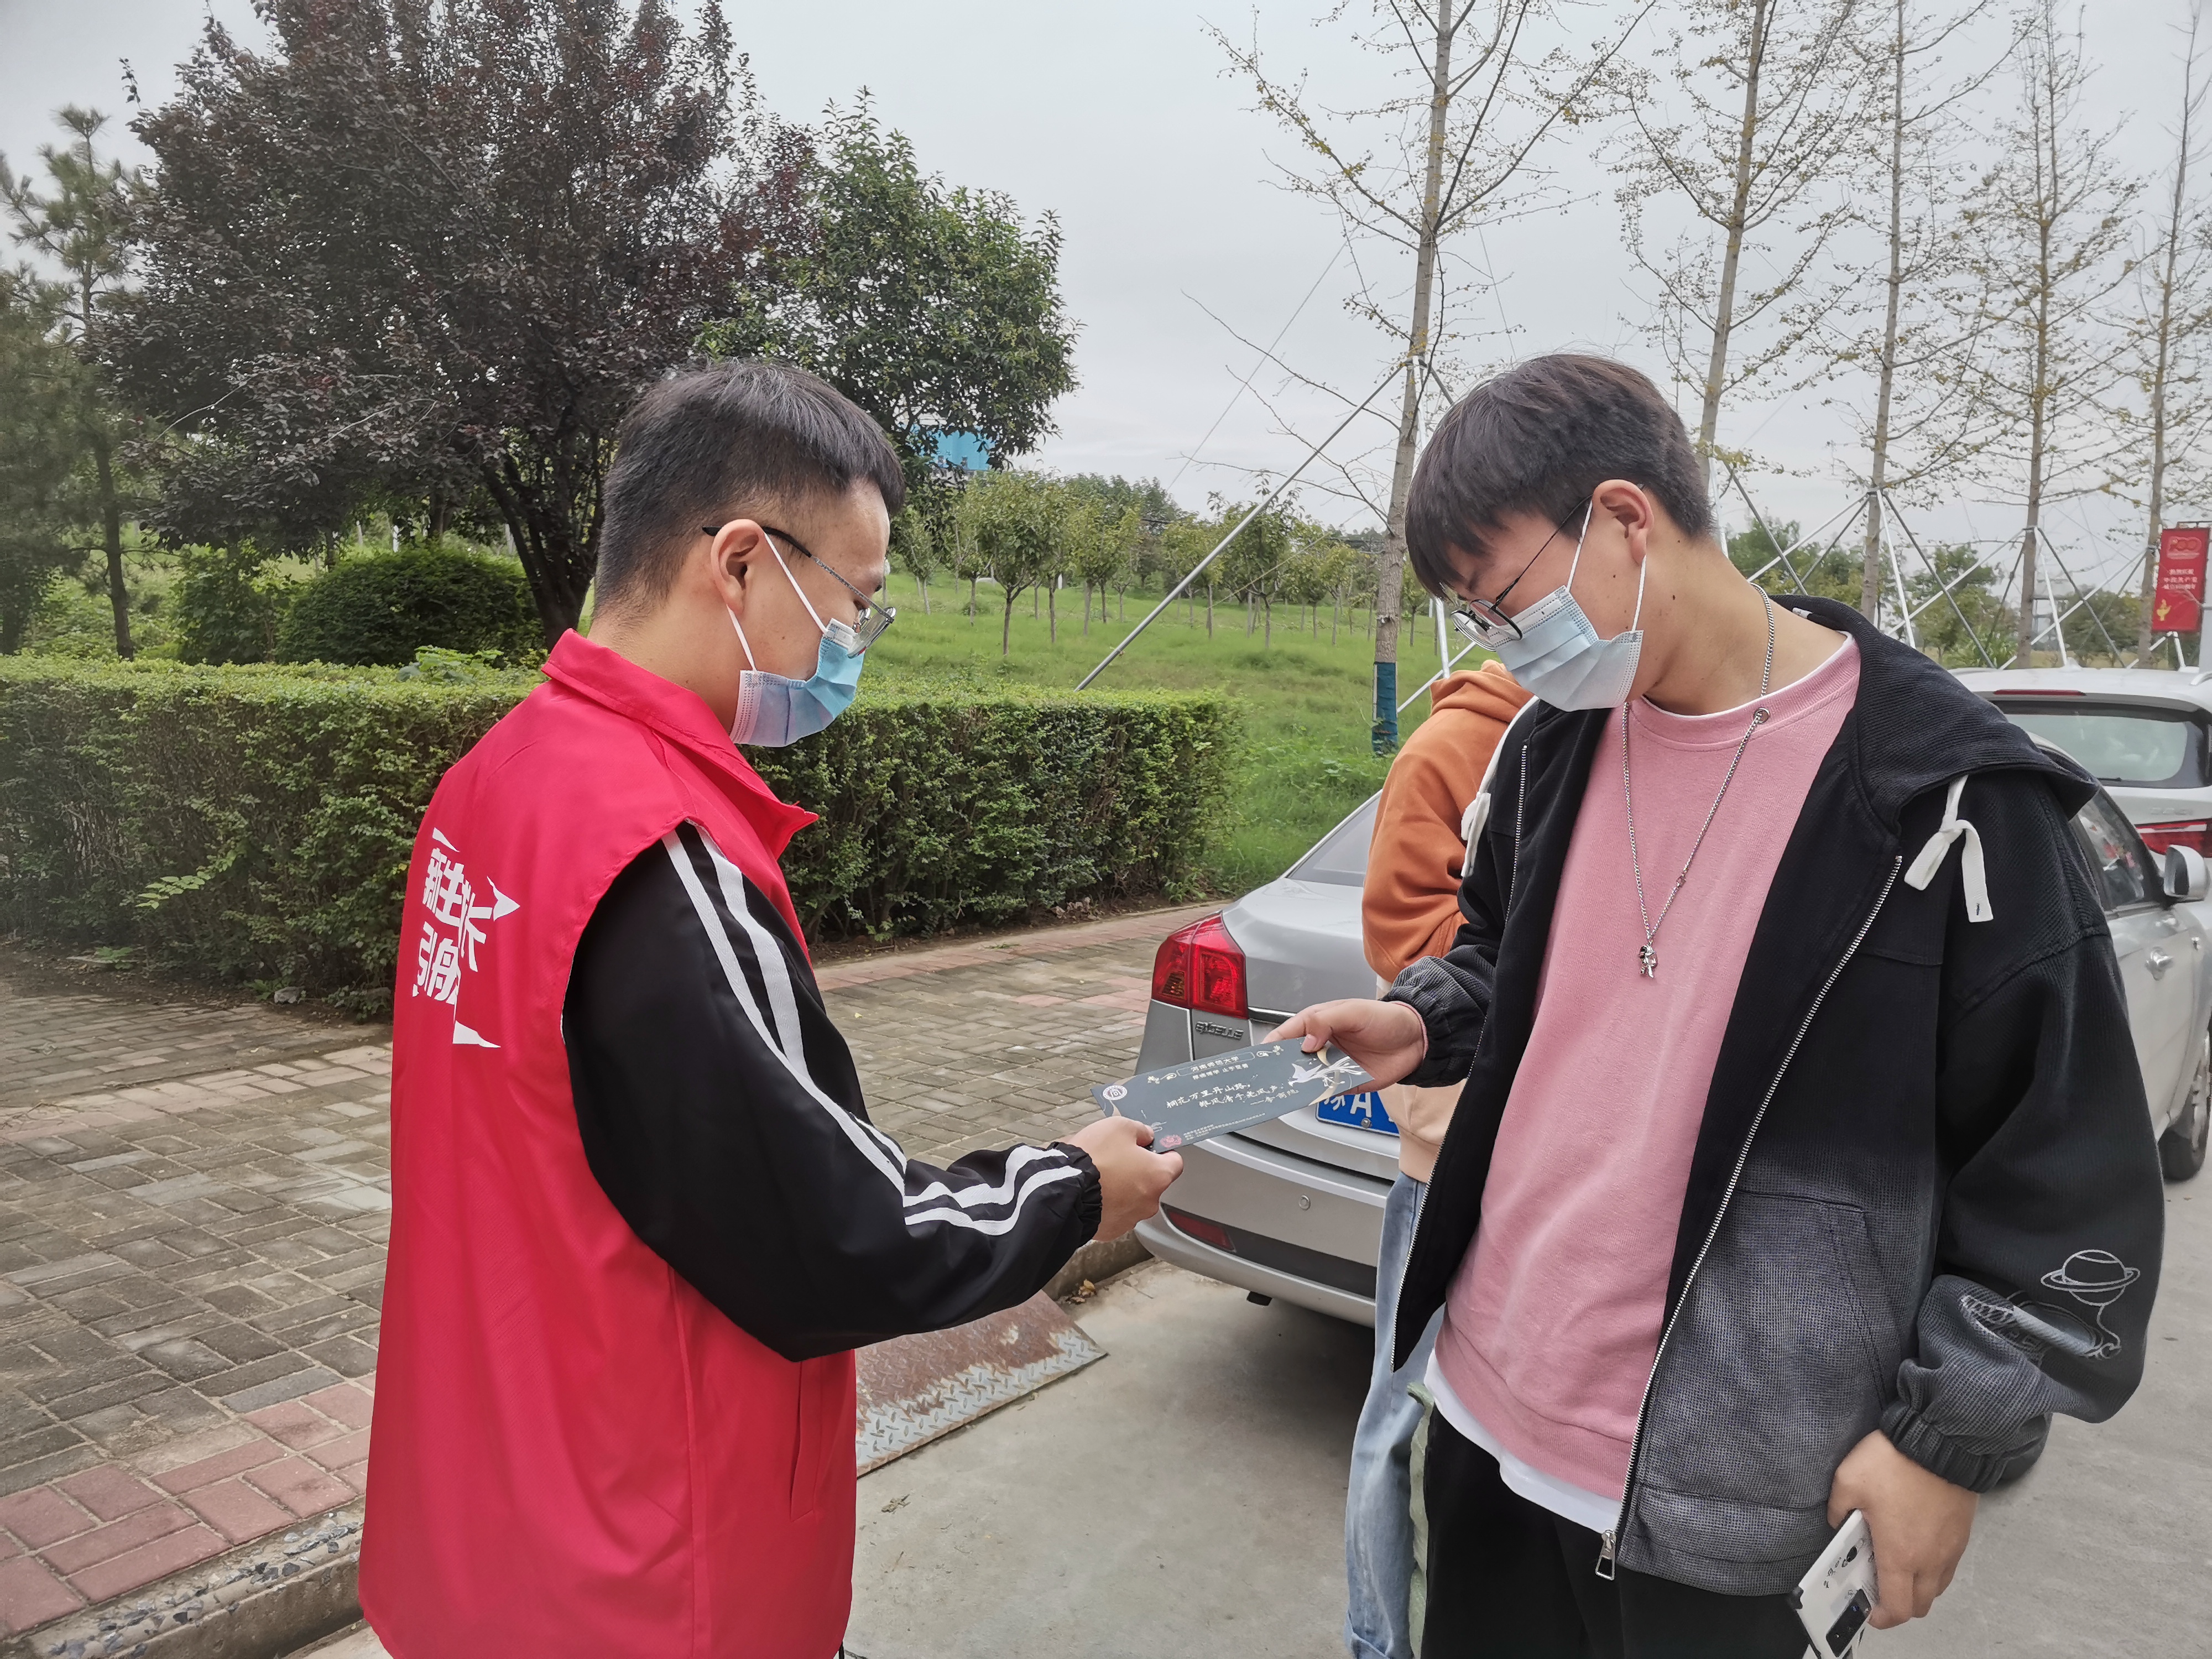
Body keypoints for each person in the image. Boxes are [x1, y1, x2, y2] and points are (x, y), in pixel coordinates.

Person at [1277, 353, 2164, 1658]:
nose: (1501, 643)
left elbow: (2061, 1173)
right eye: (1473, 618)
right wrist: (1422, 1019)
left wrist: (1946, 1439)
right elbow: (1501, 956)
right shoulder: (1550, 745)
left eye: (1503, 600)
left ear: (1623, 519)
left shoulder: (1946, 805)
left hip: (1732, 1485)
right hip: (1481, 1409)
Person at [361, 363, 1182, 1659]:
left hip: (489, 1512)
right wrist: (1073, 1187)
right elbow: (842, 1237)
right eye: (854, 602)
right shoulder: (659, 853)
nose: (853, 644)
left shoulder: (493, 781)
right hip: (651, 1567)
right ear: (739, 564)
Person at [1345, 660, 1530, 1659]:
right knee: (1401, 1417)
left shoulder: (1612, 725)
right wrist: (1555, 936)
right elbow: (1401, 932)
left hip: (1556, 1160)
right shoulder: (1450, 748)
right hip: (1450, 1150)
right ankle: (1378, 1639)